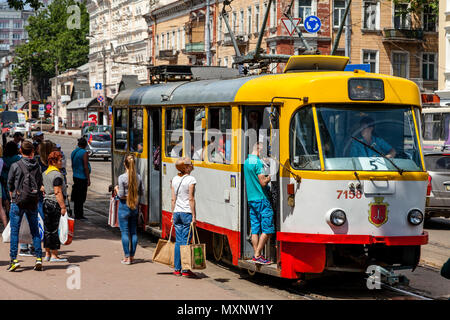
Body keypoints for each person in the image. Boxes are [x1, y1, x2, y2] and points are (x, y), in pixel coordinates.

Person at [7, 140, 44, 272]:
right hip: (32, 201)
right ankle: (39, 258)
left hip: (18, 201)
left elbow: (10, 184)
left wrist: (13, 196)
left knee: (15, 231)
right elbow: (39, 183)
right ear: (32, 152)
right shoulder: (37, 166)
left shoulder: (15, 165)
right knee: (35, 230)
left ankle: (14, 260)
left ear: (20, 151)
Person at [243, 142, 275, 265]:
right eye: (262, 150)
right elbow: (262, 182)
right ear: (258, 149)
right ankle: (257, 254)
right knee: (268, 228)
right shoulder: (257, 162)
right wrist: (270, 176)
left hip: (251, 199)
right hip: (261, 199)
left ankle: (256, 255)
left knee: (255, 228)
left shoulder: (246, 162)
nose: (263, 153)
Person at [114, 154, 144, 265]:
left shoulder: (122, 177)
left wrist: (116, 189)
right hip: (134, 207)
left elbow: (121, 195)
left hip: (123, 206)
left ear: (124, 164)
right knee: (133, 232)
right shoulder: (138, 177)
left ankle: (126, 257)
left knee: (125, 233)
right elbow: (141, 192)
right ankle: (132, 256)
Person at [171, 157, 197, 278]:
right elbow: (191, 198)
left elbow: (173, 199)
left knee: (178, 241)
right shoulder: (191, 179)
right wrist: (194, 216)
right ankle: (185, 270)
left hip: (177, 213)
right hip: (186, 212)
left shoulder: (175, 179)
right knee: (186, 242)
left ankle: (177, 269)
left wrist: (172, 214)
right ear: (185, 167)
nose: (192, 165)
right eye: (190, 164)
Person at [42, 151, 68, 262]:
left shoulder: (45, 173)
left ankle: (47, 253)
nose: (61, 162)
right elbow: (58, 192)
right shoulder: (57, 175)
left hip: (46, 202)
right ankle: (54, 255)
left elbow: (42, 187)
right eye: (60, 160)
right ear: (54, 161)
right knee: (55, 229)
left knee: (47, 229)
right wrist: (63, 206)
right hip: (54, 204)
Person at [71, 137, 91, 220]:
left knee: (76, 197)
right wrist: (88, 179)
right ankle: (80, 215)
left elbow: (72, 164)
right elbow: (86, 167)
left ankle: (77, 213)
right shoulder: (84, 153)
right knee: (81, 197)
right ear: (85, 145)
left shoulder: (74, 152)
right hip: (82, 177)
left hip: (75, 176)